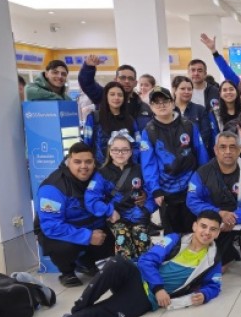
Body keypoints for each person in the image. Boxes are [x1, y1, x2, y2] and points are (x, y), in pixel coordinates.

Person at [18, 211, 224, 317]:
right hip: (136, 275)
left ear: (218, 232)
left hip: (144, 299)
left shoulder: (213, 259)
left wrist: (205, 295)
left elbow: (214, 286)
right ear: (195, 226)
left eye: (213, 229)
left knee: (97, 316)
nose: (206, 232)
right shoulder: (174, 239)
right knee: (116, 263)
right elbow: (147, 260)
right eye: (203, 226)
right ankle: (76, 310)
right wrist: (159, 287)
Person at [187, 131, 241, 280]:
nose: (228, 151)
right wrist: (218, 214)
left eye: (232, 147)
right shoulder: (202, 173)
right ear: (216, 150)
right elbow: (192, 201)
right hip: (216, 222)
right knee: (220, 269)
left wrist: (235, 218)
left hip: (239, 217)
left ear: (239, 150)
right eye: (223, 147)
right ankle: (231, 253)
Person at [35, 143, 113, 287]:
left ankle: (88, 264)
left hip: (94, 226)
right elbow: (52, 227)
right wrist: (88, 236)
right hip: (59, 232)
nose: (84, 166)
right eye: (77, 162)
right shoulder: (52, 187)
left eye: (88, 162)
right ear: (68, 161)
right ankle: (67, 272)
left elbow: (118, 194)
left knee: (115, 237)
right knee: (64, 247)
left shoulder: (100, 177)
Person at [140, 86, 209, 234]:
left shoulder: (189, 125)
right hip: (165, 192)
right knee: (172, 236)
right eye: (156, 102)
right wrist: (155, 190)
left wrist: (203, 181)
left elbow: (201, 154)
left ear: (172, 103)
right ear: (151, 106)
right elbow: (148, 164)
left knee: (193, 231)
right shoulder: (148, 131)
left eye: (165, 100)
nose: (162, 105)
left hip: (190, 188)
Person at [85, 132, 154, 260]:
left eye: (124, 150)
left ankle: (146, 272)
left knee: (142, 238)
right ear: (110, 152)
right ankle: (126, 273)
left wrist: (147, 209)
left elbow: (151, 192)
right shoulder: (102, 173)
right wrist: (109, 211)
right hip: (116, 218)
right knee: (123, 239)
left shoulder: (140, 170)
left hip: (138, 216)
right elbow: (91, 198)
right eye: (116, 150)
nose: (120, 153)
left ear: (131, 152)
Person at [78, 56, 152, 128]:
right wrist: (88, 68)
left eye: (130, 78)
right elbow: (88, 84)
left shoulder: (144, 108)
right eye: (122, 78)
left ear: (135, 83)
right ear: (115, 80)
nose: (126, 81)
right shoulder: (104, 97)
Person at [82, 81, 141, 165]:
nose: (116, 98)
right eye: (112, 94)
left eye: (120, 95)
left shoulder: (130, 120)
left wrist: (131, 161)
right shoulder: (94, 117)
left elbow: (137, 144)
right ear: (106, 96)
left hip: (126, 169)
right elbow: (86, 144)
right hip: (101, 170)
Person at [172, 76, 214, 152]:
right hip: (173, 154)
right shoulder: (168, 110)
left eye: (189, 89)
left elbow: (205, 133)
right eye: (182, 89)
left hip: (195, 154)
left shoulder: (200, 109)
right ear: (175, 90)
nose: (187, 91)